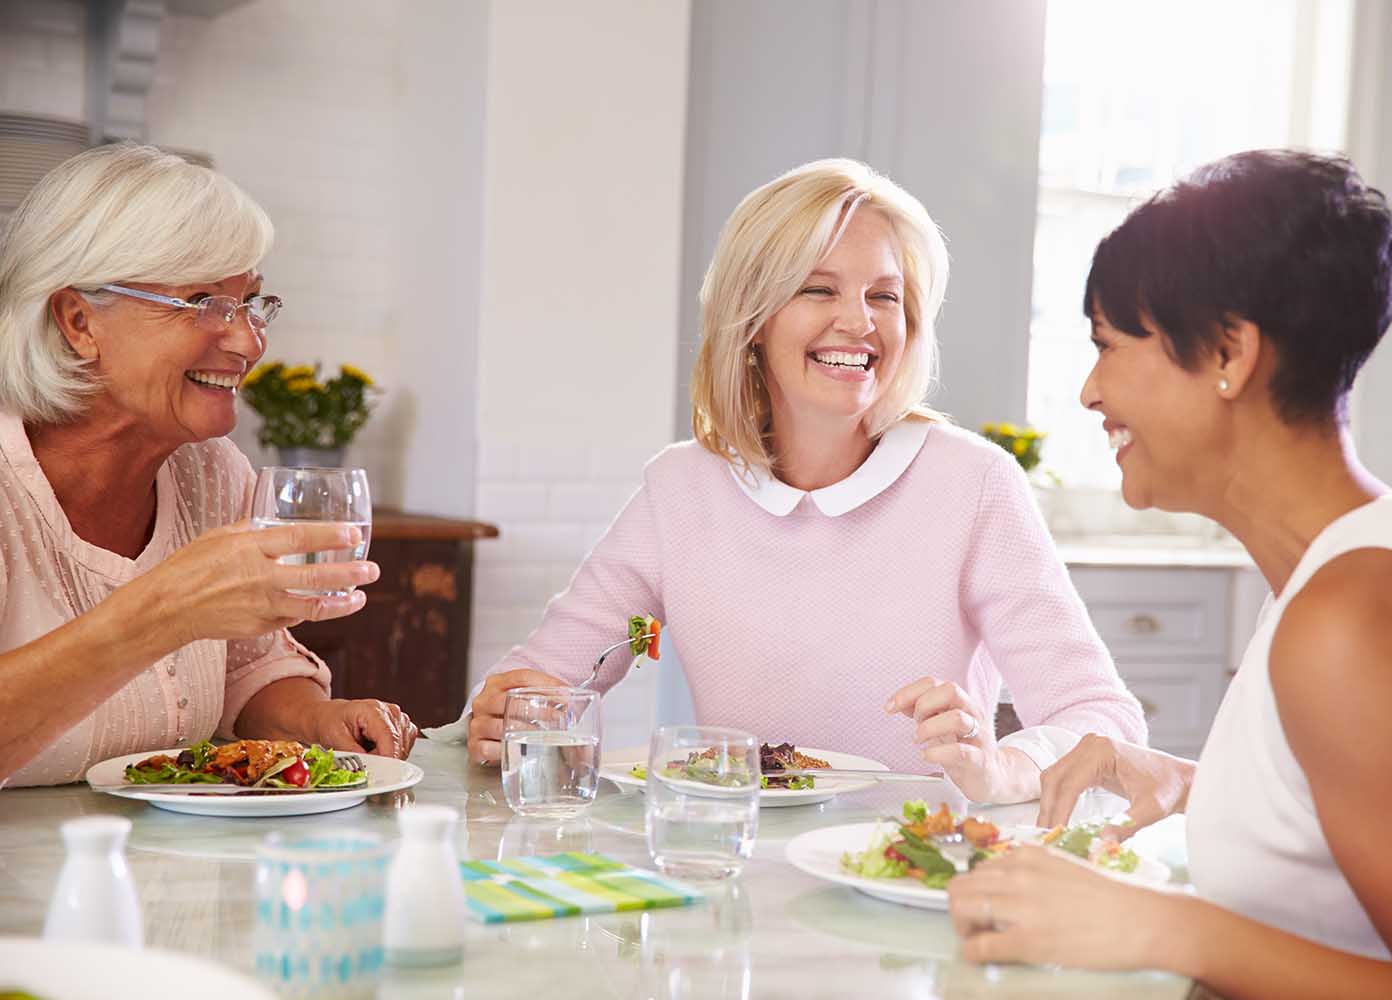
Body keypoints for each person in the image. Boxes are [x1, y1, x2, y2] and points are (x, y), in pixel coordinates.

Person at [947, 150, 1392, 996]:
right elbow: (1359, 836)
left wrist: (1166, 928)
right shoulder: (1349, 571)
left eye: (1107, 345)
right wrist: (1187, 784)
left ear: (1229, 353)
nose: (1090, 393)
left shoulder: (1358, 623)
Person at [467, 158, 1144, 800]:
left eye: (886, 295)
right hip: (730, 869)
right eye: (819, 289)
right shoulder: (681, 490)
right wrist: (507, 715)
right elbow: (548, 681)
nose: (860, 321)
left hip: (910, 877)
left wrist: (1002, 768)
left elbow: (1102, 717)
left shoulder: (973, 485)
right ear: (754, 318)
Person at [0, 144, 418, 788]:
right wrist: (162, 611)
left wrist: (313, 719)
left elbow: (243, 668)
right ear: (78, 320)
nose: (249, 340)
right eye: (201, 301)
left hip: (163, 872)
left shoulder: (209, 472)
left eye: (250, 303)